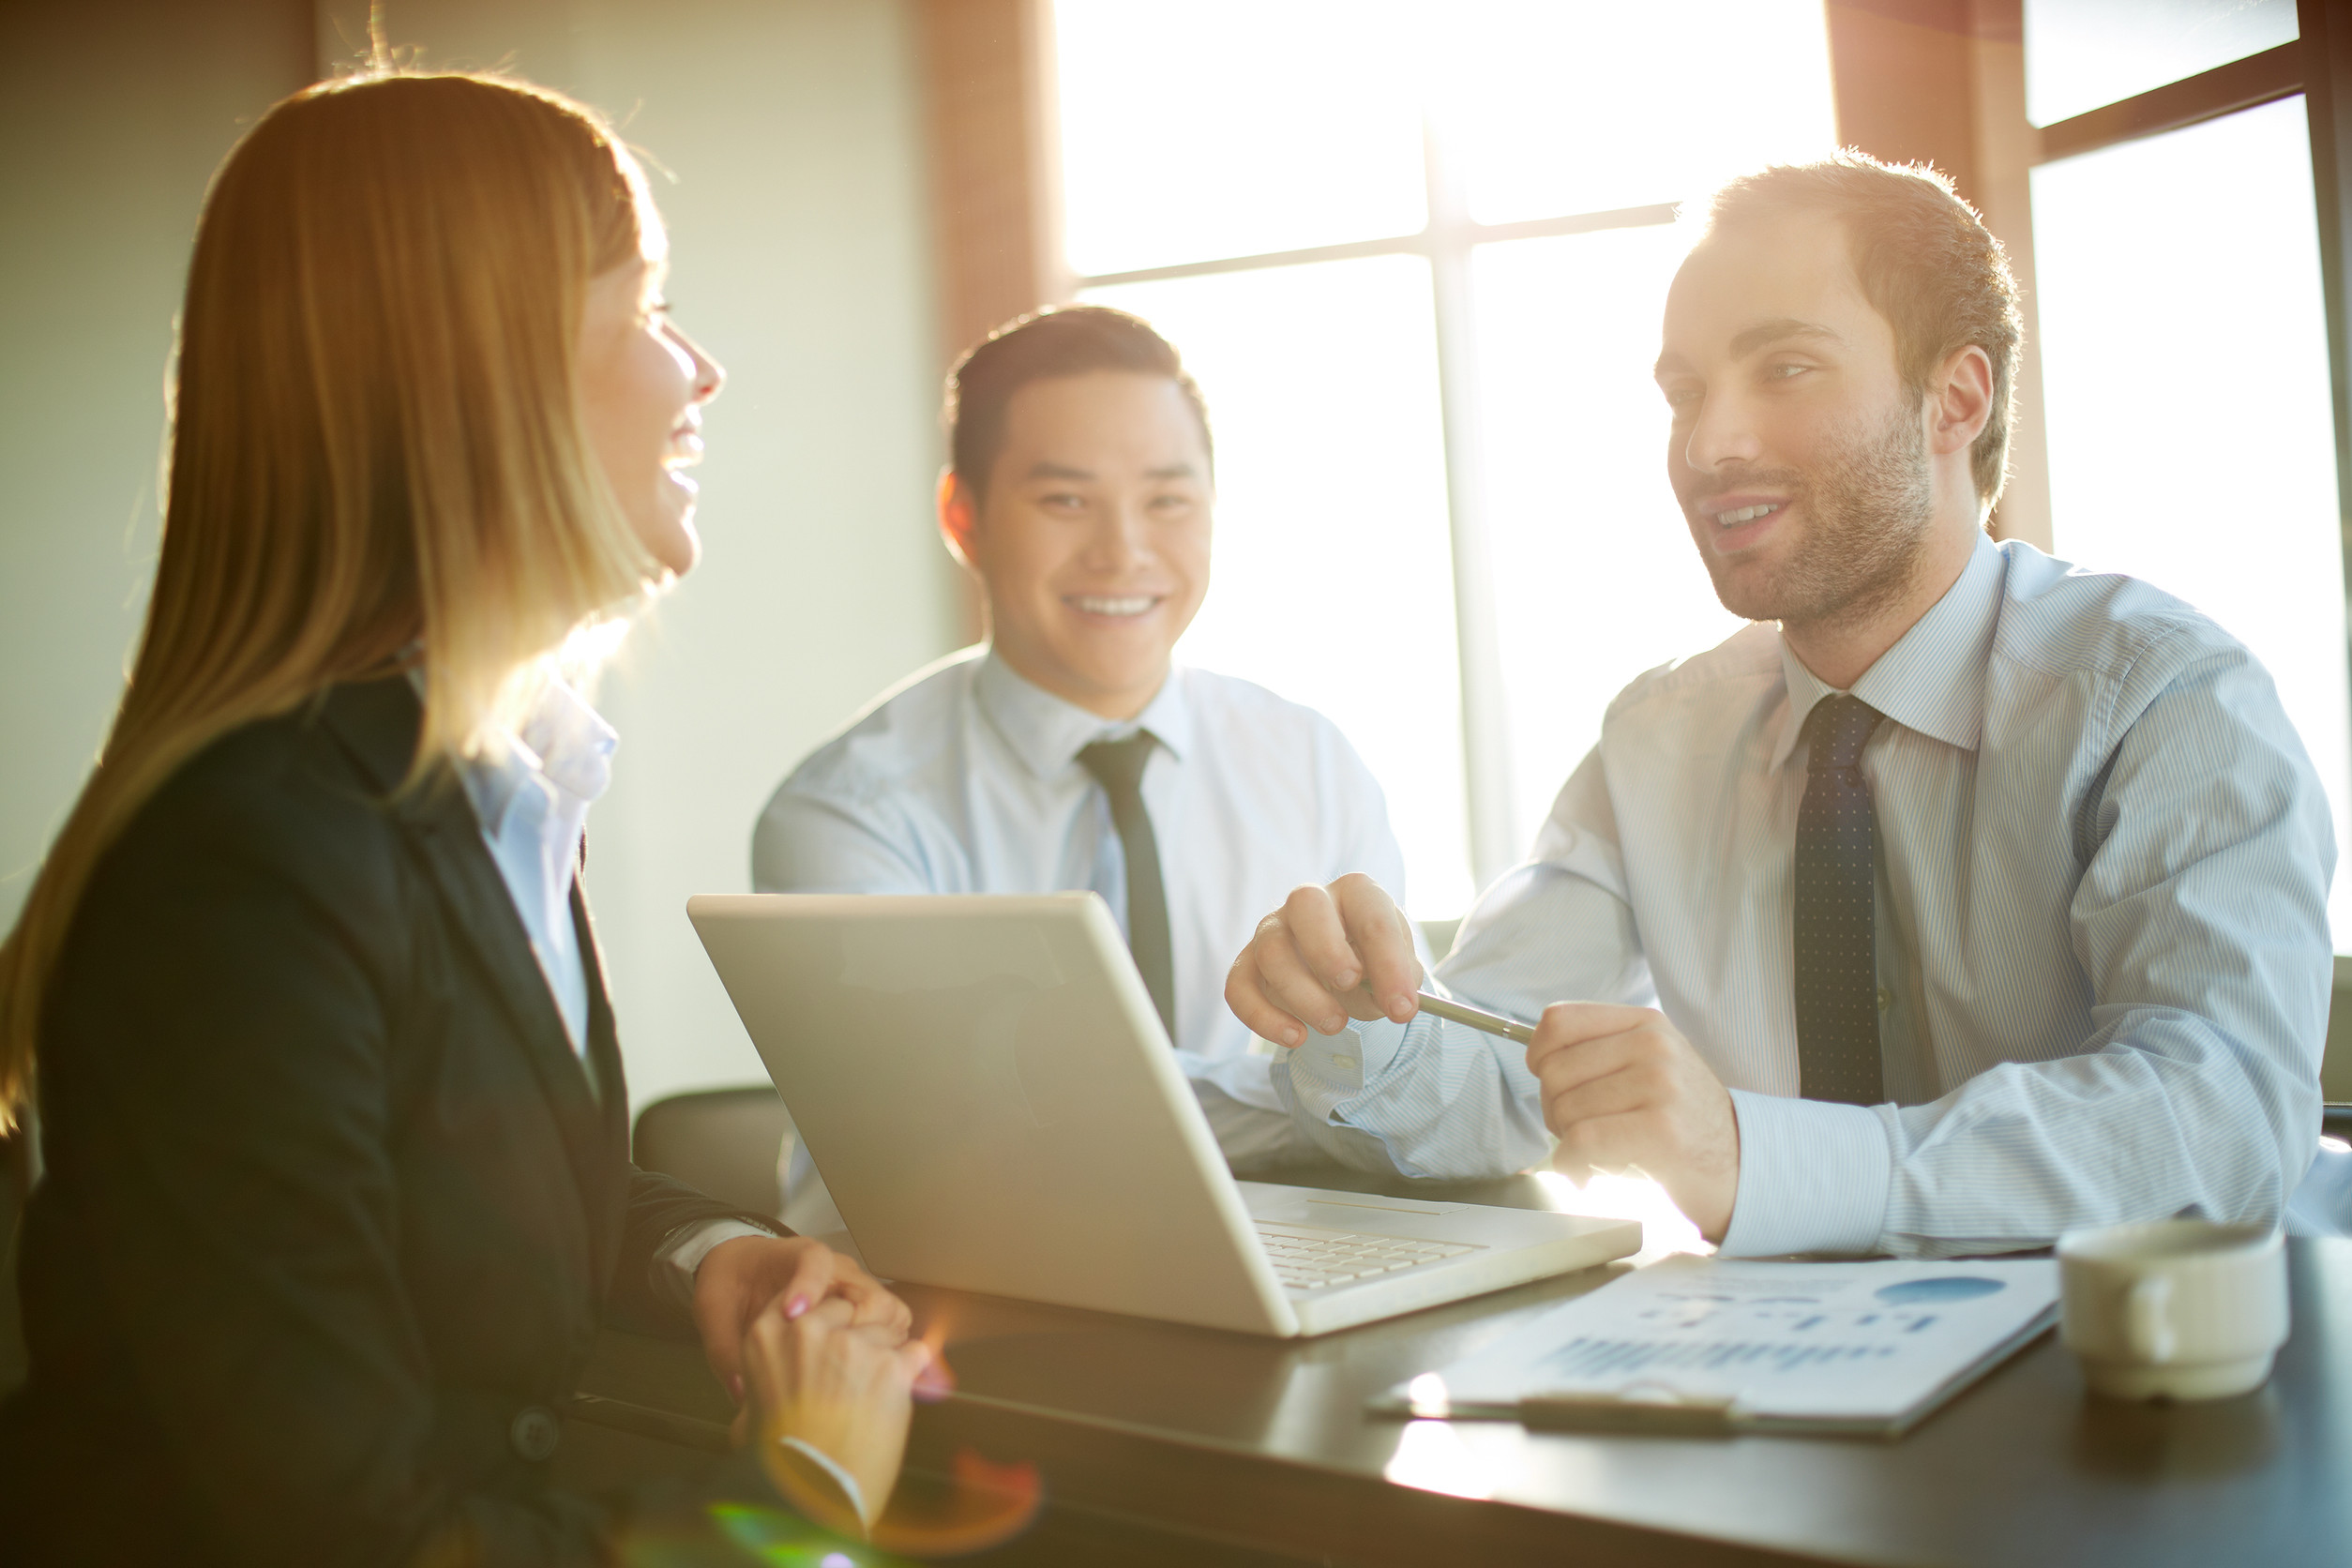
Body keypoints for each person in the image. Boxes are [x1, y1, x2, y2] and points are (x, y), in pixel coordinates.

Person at [0, 71, 932, 1564]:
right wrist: (799, 1505)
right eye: (645, 310)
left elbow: (473, 1171)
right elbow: (357, 1537)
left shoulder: (485, 791)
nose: (700, 370)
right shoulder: (244, 864)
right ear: (477, 379)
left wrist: (709, 1254)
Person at [1225, 153, 2333, 1259]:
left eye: (1787, 369)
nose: (1710, 445)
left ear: (1955, 400)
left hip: (2156, 1382)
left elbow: (2218, 1124)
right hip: (1790, 1378)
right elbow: (1496, 1068)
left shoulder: (2163, 699)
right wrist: (1356, 1025)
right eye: (1686, 393)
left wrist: (1756, 1160)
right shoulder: (1660, 737)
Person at [753, 306, 1410, 1233]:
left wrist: (1371, 1092)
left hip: (1284, 1281)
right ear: (963, 517)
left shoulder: (1310, 762)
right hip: (935, 1310)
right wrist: (1317, 1104)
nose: (1124, 551)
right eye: (1065, 500)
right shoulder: (847, 814)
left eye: (1167, 500)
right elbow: (982, 1127)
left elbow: (1397, 1083)